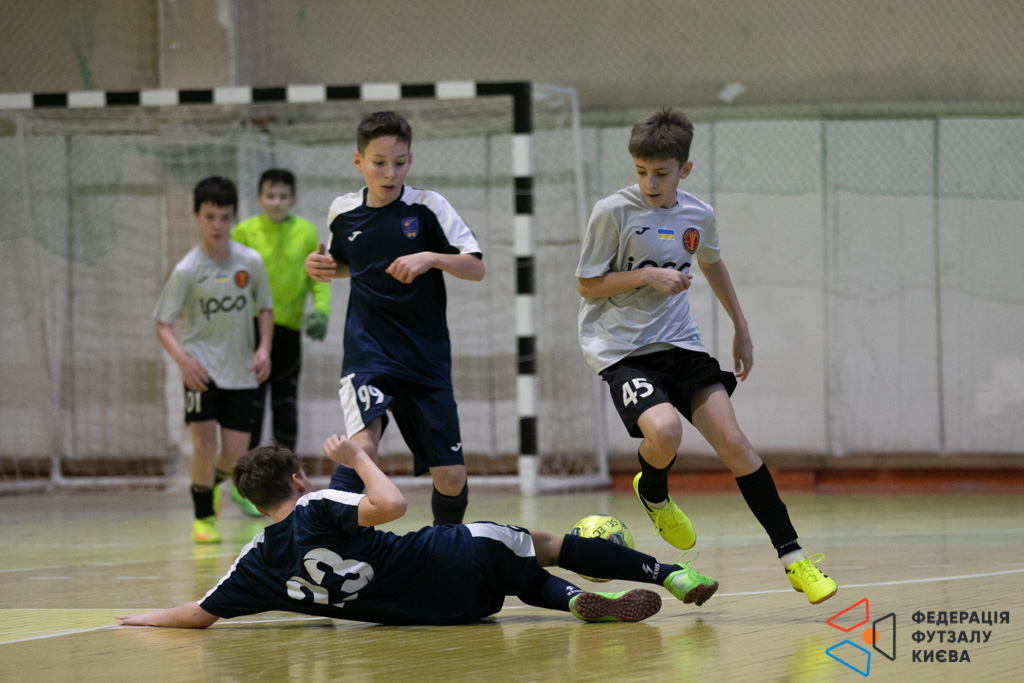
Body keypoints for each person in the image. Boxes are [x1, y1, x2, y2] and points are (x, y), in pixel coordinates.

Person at [575, 109, 838, 605]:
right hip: (622, 349)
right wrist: (647, 275)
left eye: (661, 173)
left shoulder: (698, 214)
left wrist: (741, 326)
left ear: (685, 169)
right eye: (641, 172)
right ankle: (653, 491)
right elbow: (587, 285)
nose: (650, 183)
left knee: (735, 443)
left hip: (680, 343)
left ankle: (795, 559)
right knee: (665, 432)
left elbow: (712, 264)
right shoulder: (612, 211)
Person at [114, 436, 719, 628]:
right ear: (297, 479)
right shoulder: (316, 505)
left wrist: (139, 618)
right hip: (446, 553)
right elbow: (393, 504)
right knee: (541, 543)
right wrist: (358, 455)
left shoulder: (256, 561)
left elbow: (199, 613)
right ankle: (671, 572)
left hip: (442, 612)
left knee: (515, 579)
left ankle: (576, 602)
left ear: (250, 502)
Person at [304, 111, 484, 526]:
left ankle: (445, 547)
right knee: (363, 446)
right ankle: (327, 535)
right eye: (379, 162)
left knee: (451, 477)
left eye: (399, 163)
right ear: (358, 161)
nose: (390, 173)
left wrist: (431, 258)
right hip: (369, 350)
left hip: (425, 357)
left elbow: (475, 267)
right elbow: (347, 264)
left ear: (410, 161)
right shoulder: (343, 212)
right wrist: (323, 267)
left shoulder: (428, 207)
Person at [153, 176, 274, 543]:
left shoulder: (250, 261)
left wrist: (264, 349)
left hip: (241, 370)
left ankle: (218, 486)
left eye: (224, 217)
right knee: (205, 447)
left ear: (234, 216)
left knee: (235, 456)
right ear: (196, 216)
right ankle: (203, 518)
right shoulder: (187, 270)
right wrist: (183, 362)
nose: (217, 225)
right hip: (201, 371)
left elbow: (265, 308)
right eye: (209, 217)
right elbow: (162, 324)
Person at [232, 169, 332, 455]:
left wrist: (321, 312)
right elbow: (230, 280)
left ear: (293, 199)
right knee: (250, 408)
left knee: (285, 407)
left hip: (288, 332)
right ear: (259, 198)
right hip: (250, 333)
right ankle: (245, 475)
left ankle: (286, 473)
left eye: (283, 196)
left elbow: (319, 278)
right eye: (270, 195)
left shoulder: (306, 232)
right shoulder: (244, 232)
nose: (276, 202)